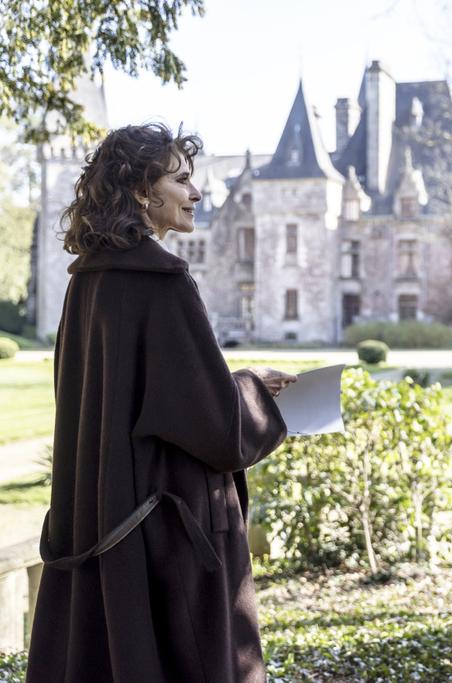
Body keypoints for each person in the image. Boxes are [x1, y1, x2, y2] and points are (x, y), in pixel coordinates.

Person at [26, 123, 297, 682]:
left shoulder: (87, 281)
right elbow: (219, 430)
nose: (195, 193)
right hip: (163, 531)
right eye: (180, 180)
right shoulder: (164, 282)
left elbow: (138, 395)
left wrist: (231, 380)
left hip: (102, 512)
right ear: (140, 191)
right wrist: (253, 389)